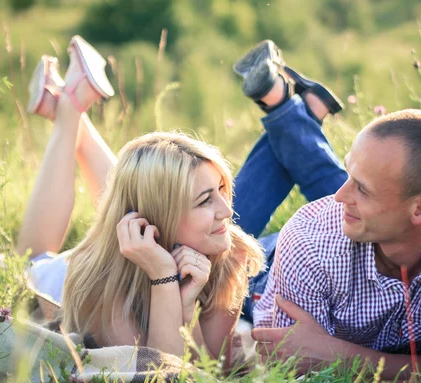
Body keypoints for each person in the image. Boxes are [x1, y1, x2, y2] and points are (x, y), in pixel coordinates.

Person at [18, 37, 348, 358]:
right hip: (65, 276)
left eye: (222, 189)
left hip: (152, 230)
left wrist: (187, 306)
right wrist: (164, 279)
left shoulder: (229, 254)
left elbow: (210, 369)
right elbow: (164, 380)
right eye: (206, 200)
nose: (228, 210)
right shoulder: (108, 289)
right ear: (159, 217)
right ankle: (69, 111)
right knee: (29, 260)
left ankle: (71, 108)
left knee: (142, 185)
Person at [238, 41, 421, 380]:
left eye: (361, 187)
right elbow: (295, 371)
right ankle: (289, 108)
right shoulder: (312, 238)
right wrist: (414, 374)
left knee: (360, 190)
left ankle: (289, 107)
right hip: (260, 271)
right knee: (207, 238)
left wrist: (337, 355)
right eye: (351, 178)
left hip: (365, 229)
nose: (340, 195)